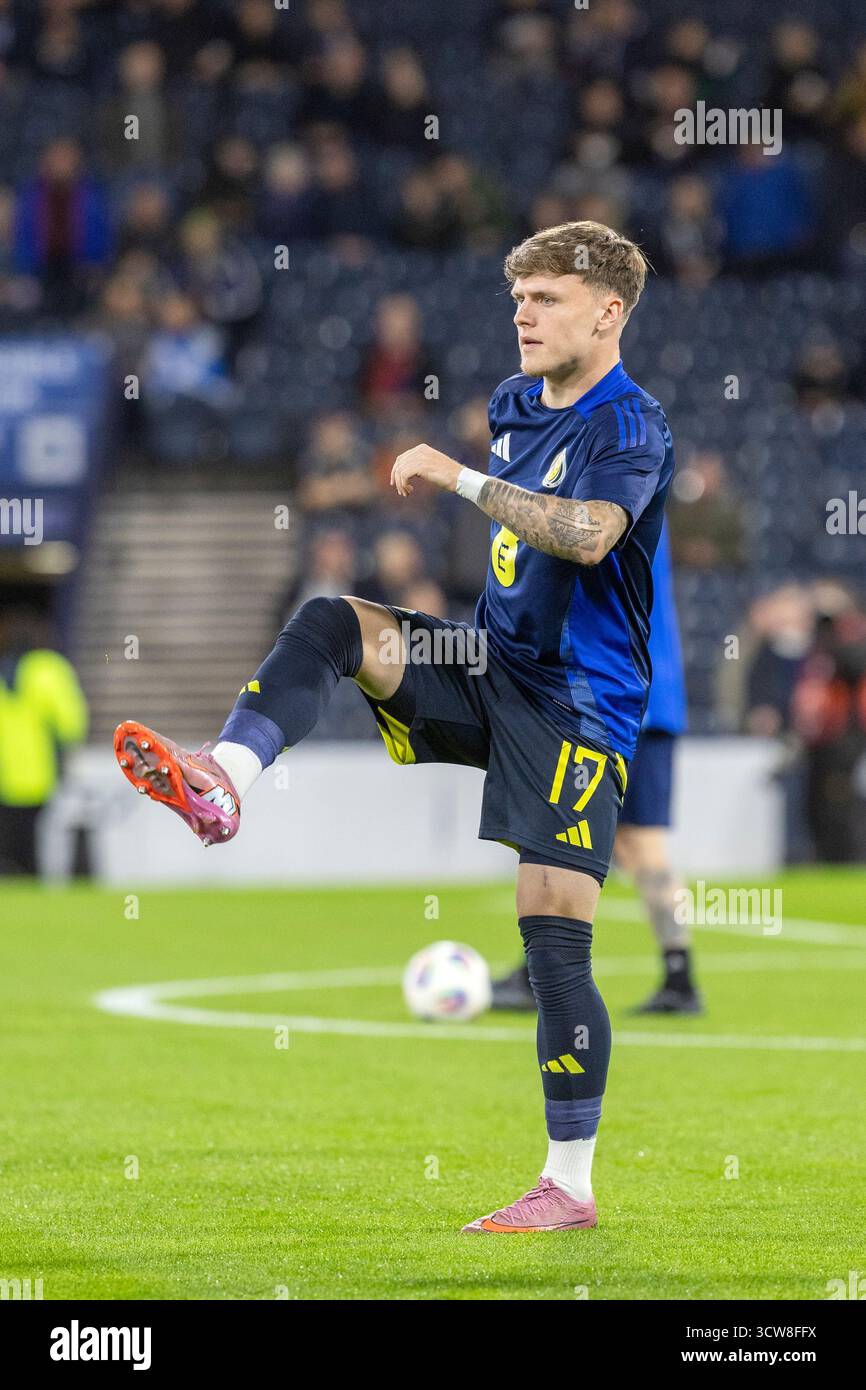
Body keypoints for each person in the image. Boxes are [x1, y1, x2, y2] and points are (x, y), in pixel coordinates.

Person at [115, 220, 675, 1234]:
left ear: (608, 311)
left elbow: (591, 537)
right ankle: (227, 774)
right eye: (518, 297)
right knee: (336, 617)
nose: (522, 313)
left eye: (544, 298)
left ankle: (569, 1184)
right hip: (487, 664)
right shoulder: (515, 403)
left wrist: (458, 478)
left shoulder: (628, 426)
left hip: (578, 707)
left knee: (551, 942)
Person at [491, 519, 702, 1015]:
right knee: (608, 838)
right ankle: (675, 972)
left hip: (621, 699)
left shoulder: (614, 495)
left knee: (589, 835)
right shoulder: (636, 484)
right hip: (639, 697)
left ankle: (672, 974)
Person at [0, 606, 88, 875]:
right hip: (40, 772)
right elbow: (71, 723)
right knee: (35, 839)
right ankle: (30, 879)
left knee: (9, 842)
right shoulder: (50, 669)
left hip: (5, 772)